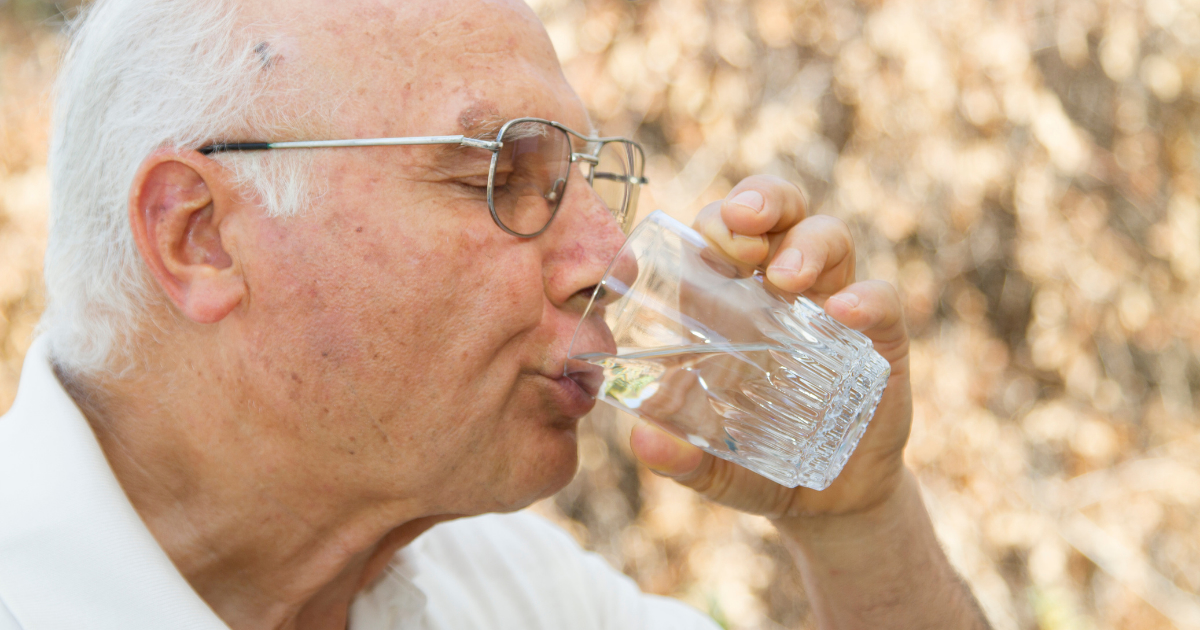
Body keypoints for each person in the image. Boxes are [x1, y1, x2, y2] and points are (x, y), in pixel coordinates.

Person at [0, 0, 993, 628]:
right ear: (199, 235)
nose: (609, 257)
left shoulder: (505, 588)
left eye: (587, 176)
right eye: (501, 173)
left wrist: (861, 526)